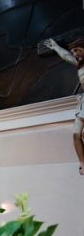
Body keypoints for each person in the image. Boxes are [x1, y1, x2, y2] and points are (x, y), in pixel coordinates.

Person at [45, 37, 84, 174]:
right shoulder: (79, 64)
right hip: (83, 103)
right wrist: (55, 47)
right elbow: (67, 56)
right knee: (75, 134)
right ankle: (82, 162)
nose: (75, 53)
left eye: (77, 50)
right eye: (73, 51)